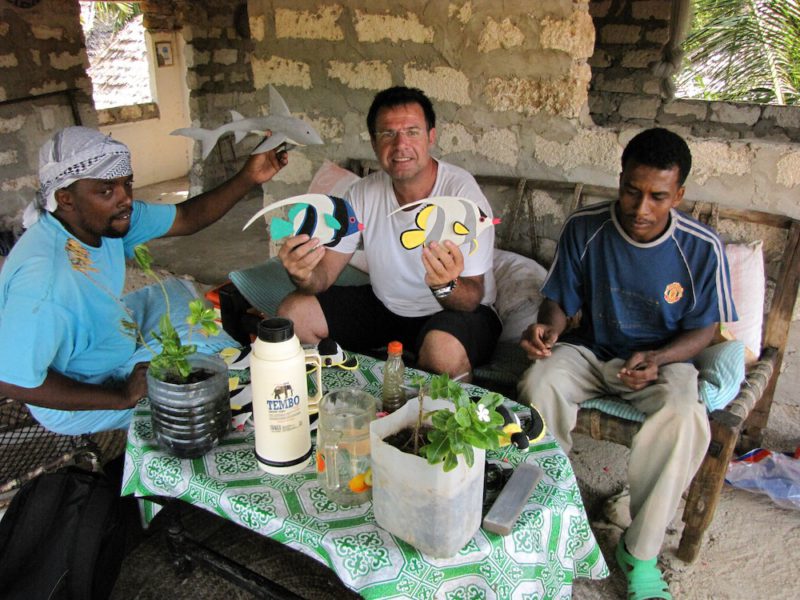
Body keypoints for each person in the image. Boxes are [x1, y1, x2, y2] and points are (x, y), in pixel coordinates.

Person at [517, 128, 736, 600]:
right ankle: (546, 518)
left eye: (658, 196)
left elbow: (705, 330)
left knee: (685, 416)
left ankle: (638, 553)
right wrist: (548, 328)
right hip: (592, 349)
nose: (641, 208)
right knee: (539, 382)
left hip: (662, 359)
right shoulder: (585, 226)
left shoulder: (701, 247)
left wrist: (660, 357)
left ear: (679, 195)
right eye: (632, 191)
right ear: (619, 180)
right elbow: (557, 300)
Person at [0, 126, 286, 436]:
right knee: (203, 387)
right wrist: (122, 395)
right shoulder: (46, 284)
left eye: (127, 184)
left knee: (177, 293)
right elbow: (13, 379)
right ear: (65, 199)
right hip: (87, 386)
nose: (124, 199)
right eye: (107, 190)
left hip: (107, 334)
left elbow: (187, 218)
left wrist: (249, 176)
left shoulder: (98, 222)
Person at [277, 86, 501, 380]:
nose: (400, 145)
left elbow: (471, 297)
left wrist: (444, 285)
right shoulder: (360, 194)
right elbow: (323, 276)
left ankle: (437, 415)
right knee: (293, 312)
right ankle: (343, 394)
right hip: (387, 306)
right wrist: (302, 274)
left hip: (453, 312)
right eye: (387, 134)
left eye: (412, 132)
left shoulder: (461, 195)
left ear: (431, 137)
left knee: (442, 351)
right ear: (373, 142)